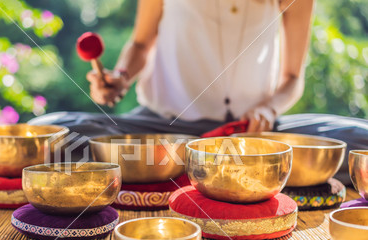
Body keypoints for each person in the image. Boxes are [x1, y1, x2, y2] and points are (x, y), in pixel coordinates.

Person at [30, 0, 367, 184]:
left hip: (256, 137)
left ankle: (179, 171)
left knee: (361, 139)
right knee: (47, 135)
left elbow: (293, 77)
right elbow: (141, 43)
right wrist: (120, 77)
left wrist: (269, 108)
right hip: (165, 132)